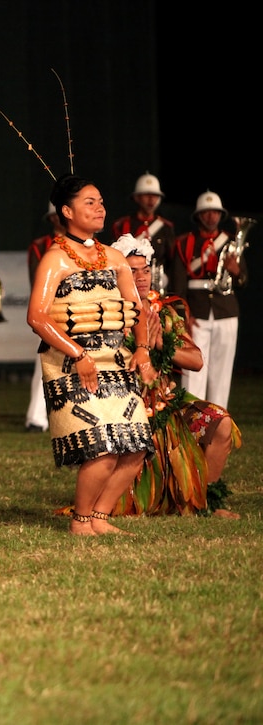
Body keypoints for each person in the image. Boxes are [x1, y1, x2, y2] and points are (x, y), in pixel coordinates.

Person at [27, 174, 157, 535]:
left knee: (135, 446)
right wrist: (78, 353)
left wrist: (143, 349)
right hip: (71, 362)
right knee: (101, 449)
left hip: (115, 360)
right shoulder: (55, 260)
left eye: (101, 201)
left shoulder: (115, 258)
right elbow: (37, 316)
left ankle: (100, 516)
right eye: (89, 202)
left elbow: (138, 309)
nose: (100, 208)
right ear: (66, 211)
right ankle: (80, 520)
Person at [109, 234, 241, 519]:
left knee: (221, 423)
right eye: (132, 272)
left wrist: (163, 345)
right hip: (128, 410)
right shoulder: (112, 317)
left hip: (168, 406)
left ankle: (205, 502)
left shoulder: (165, 313)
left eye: (145, 270)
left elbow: (196, 360)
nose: (142, 278)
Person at [168, 190, 246, 411]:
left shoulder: (230, 242)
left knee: (222, 371)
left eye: (215, 212)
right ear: (198, 215)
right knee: (194, 369)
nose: (211, 216)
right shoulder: (184, 243)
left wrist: (237, 270)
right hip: (197, 311)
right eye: (206, 212)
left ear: (221, 215)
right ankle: (193, 419)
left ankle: (218, 421)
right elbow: (178, 286)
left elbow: (243, 280)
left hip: (226, 310)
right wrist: (184, 316)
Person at [23, 202, 63, 433]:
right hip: (51, 309)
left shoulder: (85, 245)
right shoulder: (41, 246)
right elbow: (37, 283)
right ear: (52, 219)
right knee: (44, 363)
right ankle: (36, 418)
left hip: (79, 310)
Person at [110, 172, 175, 295]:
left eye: (155, 195)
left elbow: (171, 262)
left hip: (158, 285)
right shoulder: (122, 224)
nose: (151, 199)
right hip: (129, 285)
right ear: (136, 197)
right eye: (146, 195)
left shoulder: (166, 227)